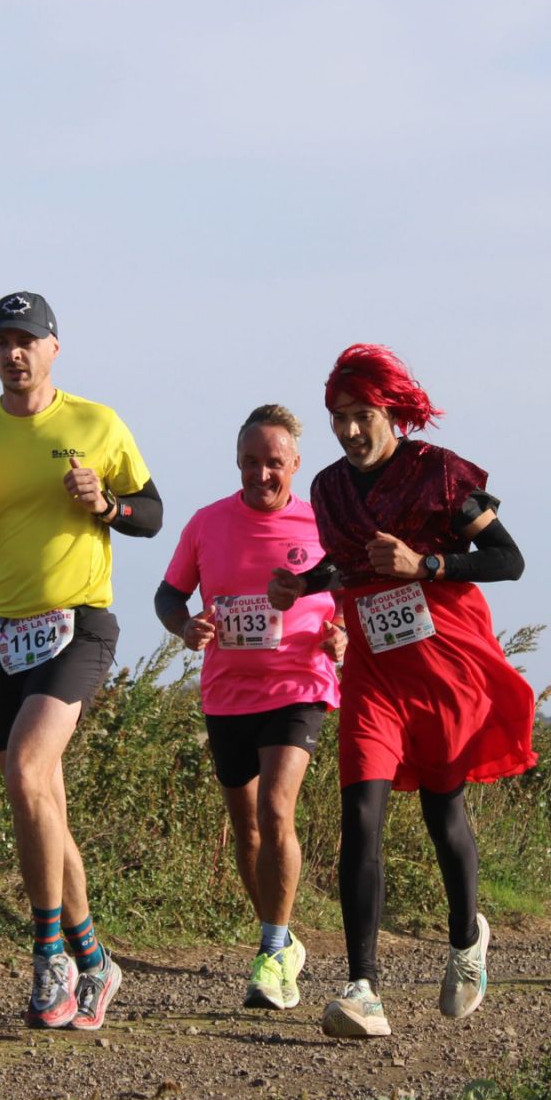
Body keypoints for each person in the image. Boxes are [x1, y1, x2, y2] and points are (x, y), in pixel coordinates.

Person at [0, 292, 162, 1031]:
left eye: (26, 340)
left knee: (26, 771)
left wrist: (106, 505)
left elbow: (151, 513)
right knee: (41, 799)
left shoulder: (97, 423)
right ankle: (96, 961)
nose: (13, 353)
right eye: (2, 341)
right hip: (0, 635)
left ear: (54, 347)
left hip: (79, 625)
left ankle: (49, 955)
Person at [269, 344, 534, 1039]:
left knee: (444, 815)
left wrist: (428, 564)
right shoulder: (328, 489)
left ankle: (465, 937)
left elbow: (509, 559)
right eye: (339, 417)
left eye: (362, 414)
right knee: (360, 814)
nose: (351, 430)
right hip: (374, 672)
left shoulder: (439, 474)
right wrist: (304, 583)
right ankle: (362, 988)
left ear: (391, 411)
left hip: (444, 667)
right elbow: (347, 566)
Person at [155, 404, 345, 1012]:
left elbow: (352, 595)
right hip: (228, 691)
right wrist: (185, 627)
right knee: (248, 833)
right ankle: (283, 939)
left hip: (300, 685)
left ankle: (269, 953)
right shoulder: (207, 523)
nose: (261, 474)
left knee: (276, 808)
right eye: (249, 462)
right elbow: (168, 595)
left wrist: (342, 633)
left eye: (273, 463)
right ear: (237, 461)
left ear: (295, 464)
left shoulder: (322, 525)